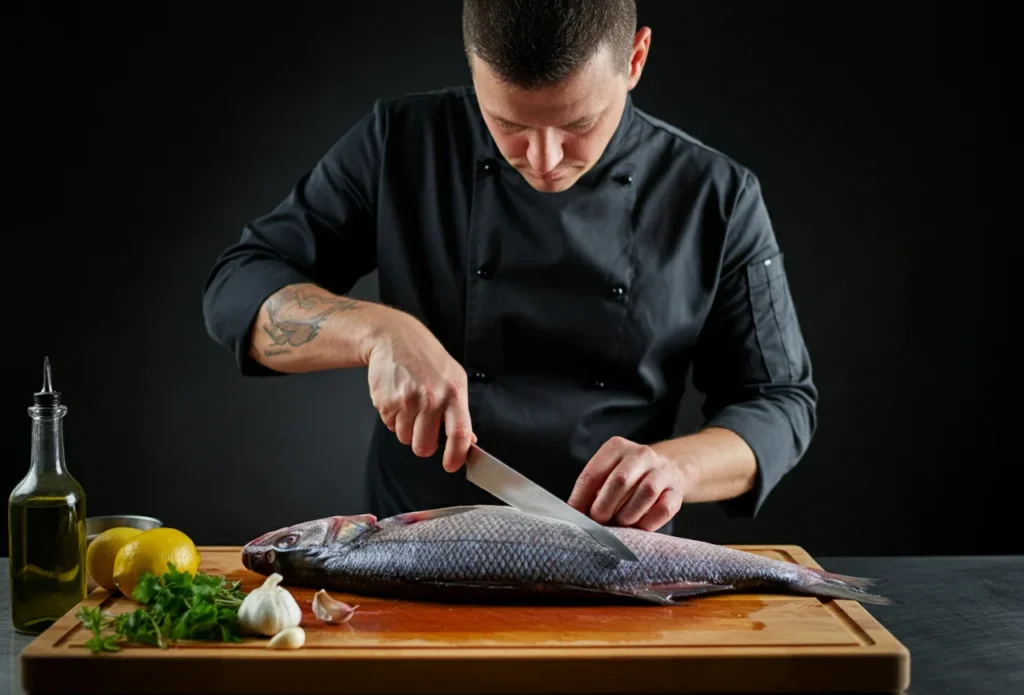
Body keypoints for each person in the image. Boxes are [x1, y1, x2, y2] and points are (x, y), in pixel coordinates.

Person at [202, 0, 817, 534]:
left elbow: (780, 401)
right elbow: (238, 287)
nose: (544, 159)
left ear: (635, 60)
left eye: (579, 124)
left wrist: (677, 468)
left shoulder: (714, 195)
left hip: (615, 569)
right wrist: (377, 332)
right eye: (508, 124)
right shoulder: (401, 144)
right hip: (416, 563)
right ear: (474, 67)